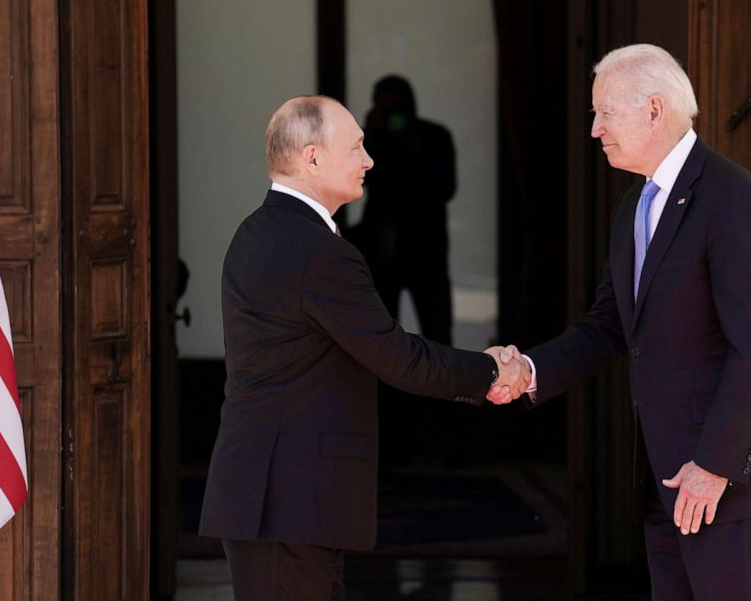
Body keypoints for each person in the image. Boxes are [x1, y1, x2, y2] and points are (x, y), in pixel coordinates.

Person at [493, 44, 751, 600]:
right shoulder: (634, 205)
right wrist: (531, 368)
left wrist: (713, 466)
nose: (595, 130)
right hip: (663, 480)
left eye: (605, 113)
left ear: (655, 110)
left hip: (721, 483)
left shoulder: (731, 198)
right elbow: (610, 324)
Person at [198, 95, 528, 601]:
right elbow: (396, 356)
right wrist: (490, 371)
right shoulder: (319, 252)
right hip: (288, 502)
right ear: (311, 158)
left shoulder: (255, 231)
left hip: (269, 496)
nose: (369, 160)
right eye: (356, 147)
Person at [355, 75, 456, 345]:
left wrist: (414, 149)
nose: (394, 117)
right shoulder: (371, 142)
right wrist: (369, 136)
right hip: (383, 250)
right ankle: (386, 389)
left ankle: (441, 387)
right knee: (381, 338)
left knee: (437, 333)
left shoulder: (434, 137)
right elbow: (354, 183)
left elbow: (446, 188)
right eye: (386, 108)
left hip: (426, 248)